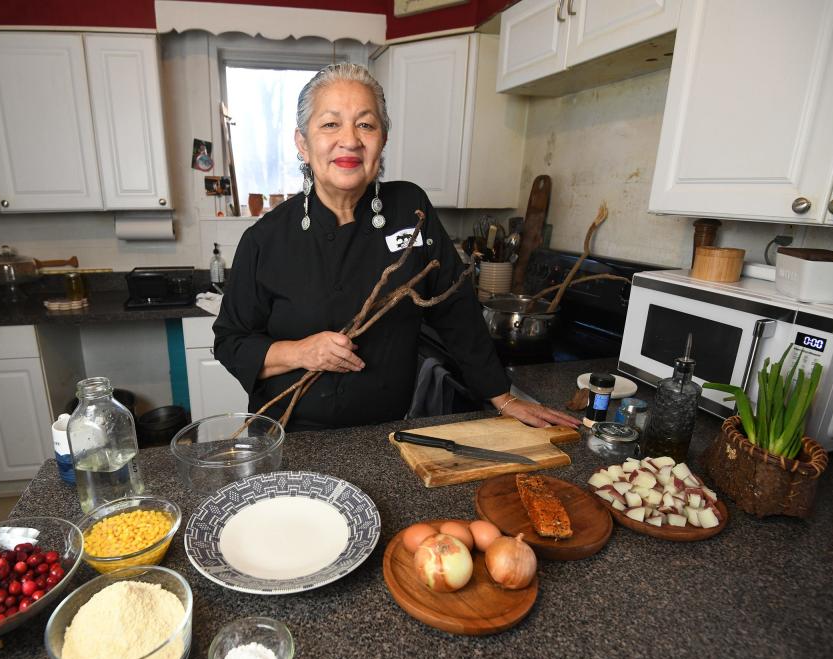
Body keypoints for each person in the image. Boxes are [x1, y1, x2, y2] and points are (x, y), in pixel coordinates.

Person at [213, 63, 579, 433]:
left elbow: (456, 310)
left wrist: (503, 397)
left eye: (366, 124)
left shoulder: (410, 208)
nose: (351, 140)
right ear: (303, 144)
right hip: (288, 435)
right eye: (330, 124)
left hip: (382, 434)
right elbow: (230, 342)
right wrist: (300, 352)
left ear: (383, 139)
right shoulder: (265, 239)